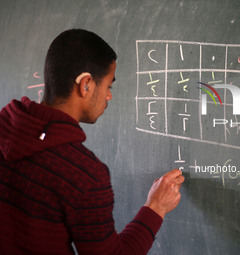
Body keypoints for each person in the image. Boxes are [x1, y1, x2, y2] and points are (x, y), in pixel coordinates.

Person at [0, 29, 184, 254]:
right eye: (109, 86)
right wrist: (155, 208)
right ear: (86, 84)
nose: (109, 96)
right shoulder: (82, 174)